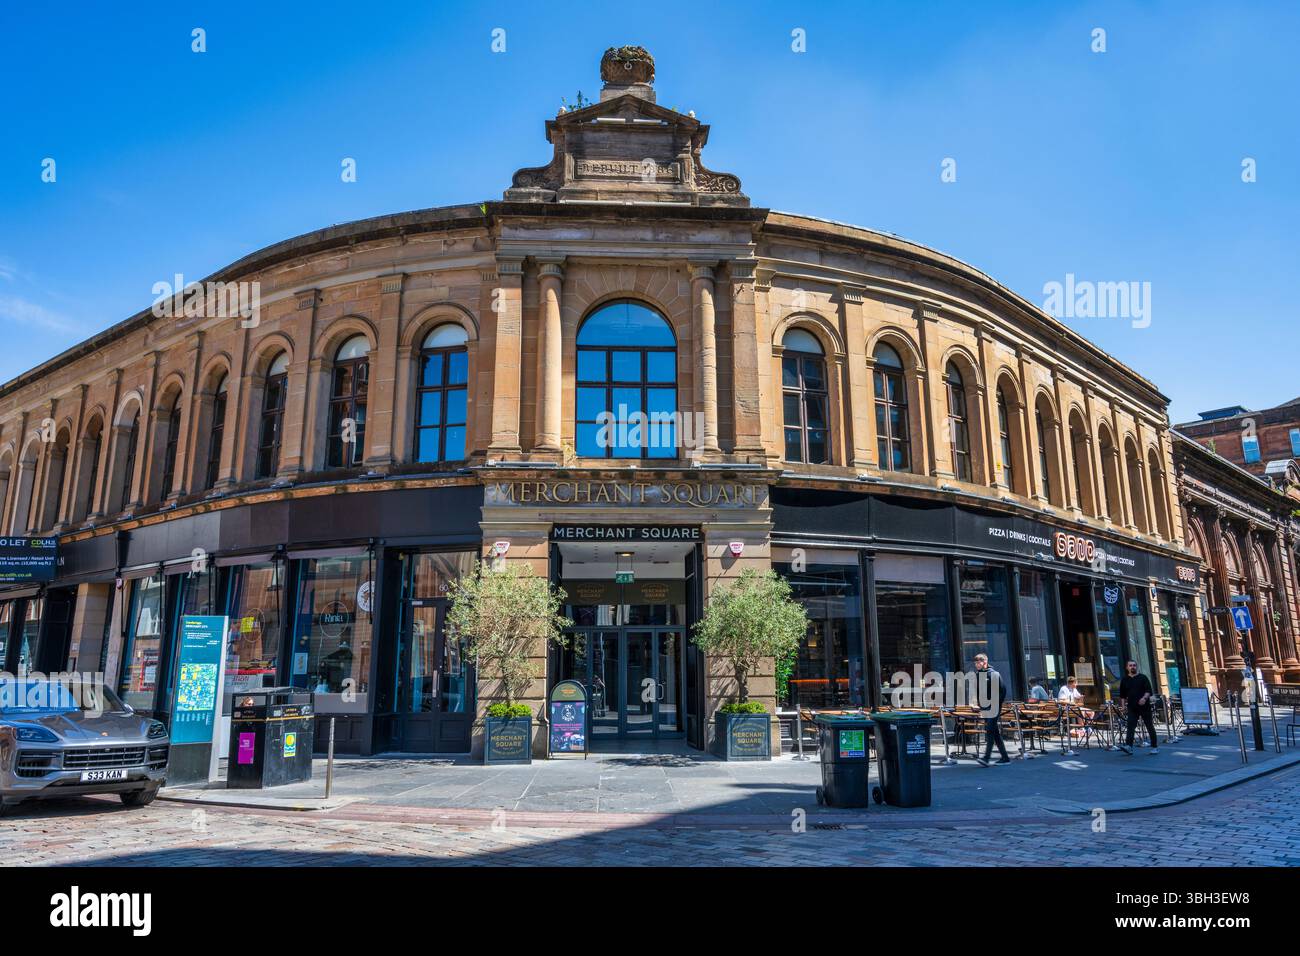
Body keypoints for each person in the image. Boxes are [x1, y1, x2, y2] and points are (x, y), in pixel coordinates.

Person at [973, 653, 1010, 766]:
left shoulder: (994, 674)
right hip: (985, 707)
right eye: (975, 663)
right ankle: (1005, 757)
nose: (976, 665)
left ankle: (986, 758)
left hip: (993, 707)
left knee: (989, 730)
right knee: (994, 733)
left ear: (985, 662)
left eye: (978, 662)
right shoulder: (978, 675)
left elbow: (1003, 691)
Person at [1118, 660, 1159, 754]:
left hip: (1144, 706)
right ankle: (1129, 746)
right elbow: (1123, 695)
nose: (1132, 667)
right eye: (1130, 665)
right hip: (1132, 707)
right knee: (1130, 726)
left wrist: (1144, 698)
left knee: (1149, 726)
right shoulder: (1124, 680)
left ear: (1136, 667)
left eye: (1134, 665)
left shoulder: (1143, 677)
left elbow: (1148, 690)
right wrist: (1123, 706)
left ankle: (1154, 747)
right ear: (1127, 667)